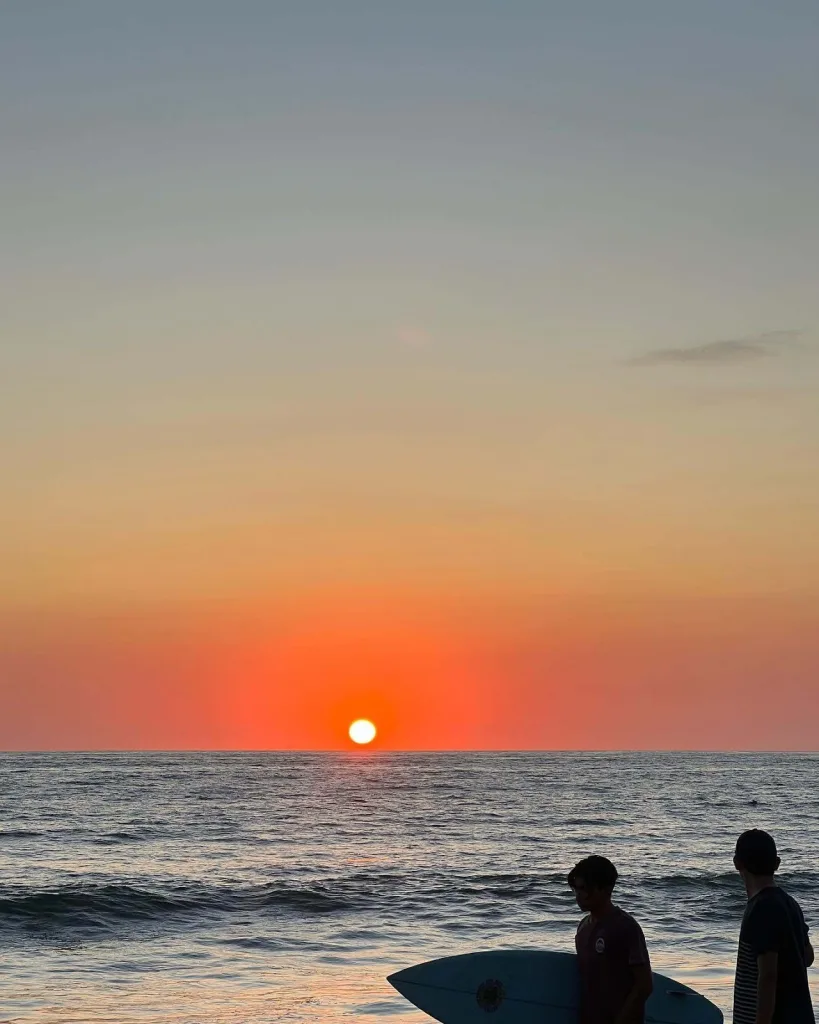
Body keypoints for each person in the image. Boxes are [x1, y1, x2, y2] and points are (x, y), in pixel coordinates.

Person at [733, 829, 815, 1024]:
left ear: (737, 864)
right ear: (777, 863)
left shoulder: (761, 909)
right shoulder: (789, 903)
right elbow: (808, 957)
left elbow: (768, 975)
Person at [568, 855, 653, 1024]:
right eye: (576, 890)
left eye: (584, 889)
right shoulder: (583, 927)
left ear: (605, 889)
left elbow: (644, 985)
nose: (579, 896)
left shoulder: (626, 927)